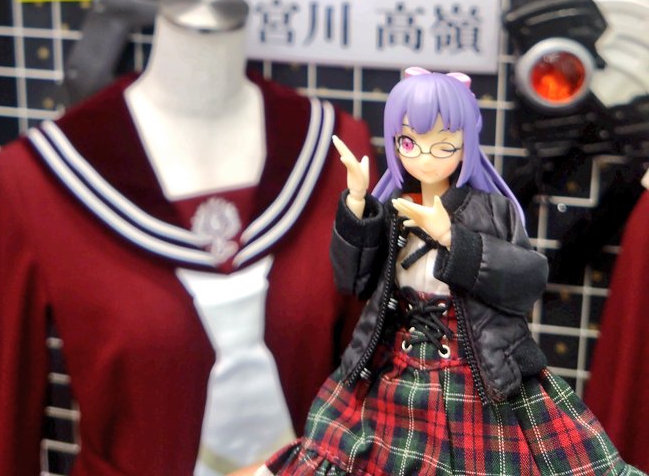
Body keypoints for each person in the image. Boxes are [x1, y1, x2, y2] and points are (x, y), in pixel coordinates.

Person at [252, 67, 646, 476]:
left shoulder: (492, 211)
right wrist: (356, 204)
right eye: (409, 142)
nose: (424, 157)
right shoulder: (392, 209)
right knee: (345, 448)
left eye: (443, 145)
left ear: (466, 143)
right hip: (394, 363)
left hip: (475, 368)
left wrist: (453, 239)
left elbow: (527, 281)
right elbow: (352, 279)